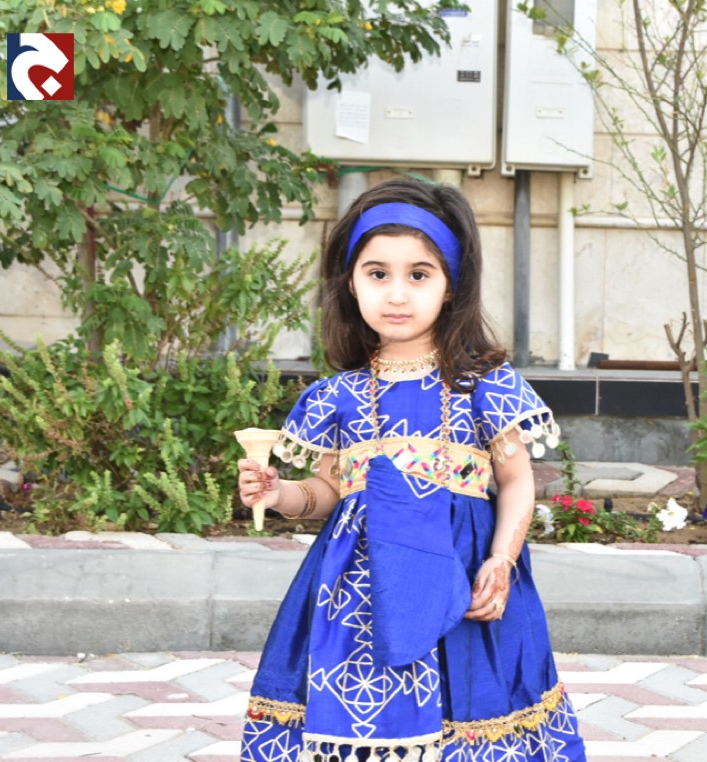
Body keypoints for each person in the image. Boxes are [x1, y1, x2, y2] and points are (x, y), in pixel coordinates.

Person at [237, 178, 587, 762]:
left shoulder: (484, 386)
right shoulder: (338, 396)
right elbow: (327, 491)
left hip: (463, 579)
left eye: (419, 275)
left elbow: (516, 481)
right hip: (358, 599)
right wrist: (278, 494)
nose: (396, 294)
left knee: (472, 705)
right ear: (351, 283)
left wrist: (501, 561)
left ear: (450, 287)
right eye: (377, 274)